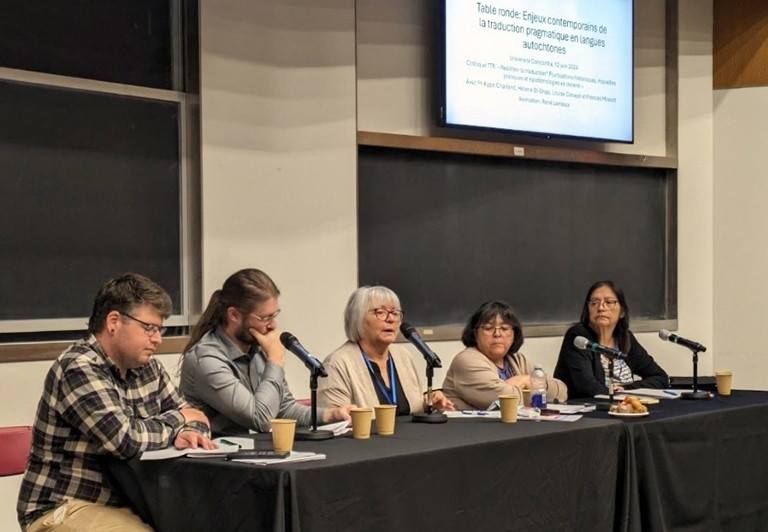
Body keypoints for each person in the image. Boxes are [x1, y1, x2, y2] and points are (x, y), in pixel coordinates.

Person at [17, 273, 214, 532]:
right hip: (63, 506)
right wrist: (179, 422)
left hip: (130, 503)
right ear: (114, 322)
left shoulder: (149, 369)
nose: (158, 339)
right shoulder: (79, 367)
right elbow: (124, 440)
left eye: (160, 329)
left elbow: (196, 417)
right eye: (149, 328)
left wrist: (189, 429)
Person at [180, 268, 353, 435]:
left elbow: (283, 408)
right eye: (264, 318)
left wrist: (331, 415)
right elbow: (260, 419)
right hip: (212, 457)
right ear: (234, 315)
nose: (272, 325)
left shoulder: (257, 349)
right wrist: (275, 360)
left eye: (274, 316)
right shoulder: (207, 360)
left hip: (249, 452)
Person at [318, 286, 454, 415]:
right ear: (357, 319)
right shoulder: (337, 364)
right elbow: (335, 420)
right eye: (380, 312)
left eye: (395, 313)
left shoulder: (403, 356)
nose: (391, 319)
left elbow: (410, 408)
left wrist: (429, 402)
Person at [442, 300, 568, 410]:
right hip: (471, 433)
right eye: (488, 328)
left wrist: (526, 381)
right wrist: (535, 386)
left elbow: (561, 392)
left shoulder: (517, 359)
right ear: (475, 333)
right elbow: (503, 399)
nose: (497, 334)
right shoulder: (466, 360)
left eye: (504, 328)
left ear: (514, 334)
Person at [554, 280, 670, 399]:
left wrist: (626, 389)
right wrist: (616, 396)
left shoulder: (625, 338)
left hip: (621, 409)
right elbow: (587, 387)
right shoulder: (579, 337)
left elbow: (660, 378)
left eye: (609, 302)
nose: (601, 308)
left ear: (622, 312)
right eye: (594, 303)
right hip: (588, 411)